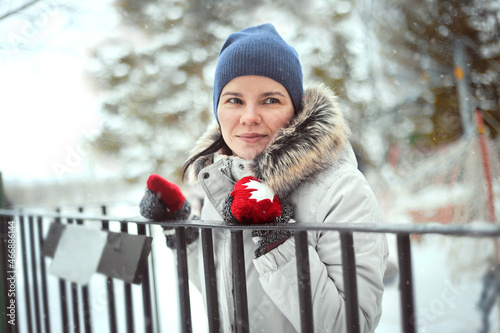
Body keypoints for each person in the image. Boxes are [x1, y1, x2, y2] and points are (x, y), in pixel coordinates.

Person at [140, 23, 388, 332]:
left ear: (294, 110)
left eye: (270, 100)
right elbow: (226, 293)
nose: (249, 117)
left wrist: (277, 239)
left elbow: (352, 325)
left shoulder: (341, 190)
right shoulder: (219, 182)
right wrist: (186, 235)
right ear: (217, 109)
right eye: (234, 100)